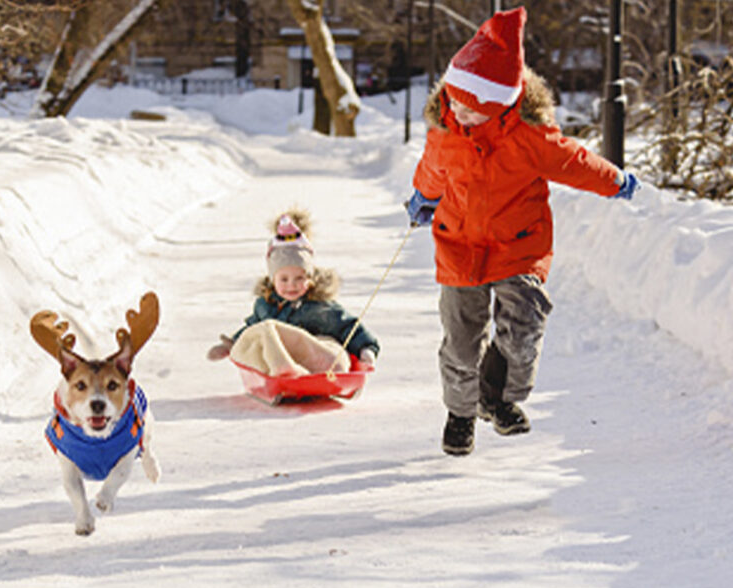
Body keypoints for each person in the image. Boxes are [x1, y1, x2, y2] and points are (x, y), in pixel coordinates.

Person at [407, 7, 640, 456]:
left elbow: (574, 161)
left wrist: (614, 180)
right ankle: (460, 414)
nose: (457, 112)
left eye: (470, 109)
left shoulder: (530, 137)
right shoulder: (446, 132)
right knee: (460, 340)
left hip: (519, 246)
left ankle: (497, 398)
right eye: (453, 101)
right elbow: (432, 173)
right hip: (458, 246)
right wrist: (422, 199)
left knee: (525, 324)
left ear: (500, 105)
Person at [207, 208, 379, 375]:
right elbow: (251, 330)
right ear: (272, 280)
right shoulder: (265, 306)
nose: (292, 285)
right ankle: (282, 369)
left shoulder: (320, 307)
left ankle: (321, 369)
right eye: (284, 279)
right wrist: (231, 345)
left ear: (310, 278)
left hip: (311, 354)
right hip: (277, 353)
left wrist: (366, 349)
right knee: (266, 332)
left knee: (333, 350)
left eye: (299, 278)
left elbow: (348, 327)